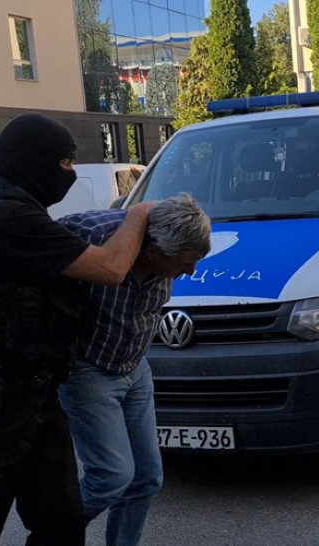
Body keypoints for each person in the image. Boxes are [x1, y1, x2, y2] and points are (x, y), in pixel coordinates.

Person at [0, 113, 155, 546]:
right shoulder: (4, 216)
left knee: (61, 525)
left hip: (30, 400)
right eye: (65, 162)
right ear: (34, 161)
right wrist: (137, 213)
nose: (71, 172)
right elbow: (111, 268)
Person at [57, 193, 211, 546]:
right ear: (154, 253)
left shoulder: (169, 241)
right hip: (88, 371)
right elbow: (34, 246)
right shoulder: (92, 235)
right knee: (110, 478)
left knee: (146, 479)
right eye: (184, 265)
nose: (190, 272)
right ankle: (51, 535)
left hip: (136, 367)